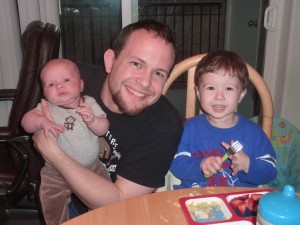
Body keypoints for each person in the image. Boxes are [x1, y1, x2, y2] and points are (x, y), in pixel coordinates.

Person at [32, 19, 183, 216]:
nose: (145, 82)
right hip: (69, 201)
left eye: (158, 73)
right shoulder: (71, 83)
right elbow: (39, 116)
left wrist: (55, 155)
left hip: (116, 212)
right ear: (110, 61)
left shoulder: (165, 124)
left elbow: (118, 202)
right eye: (137, 63)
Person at [21, 59, 110, 225]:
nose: (59, 86)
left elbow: (103, 128)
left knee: (107, 205)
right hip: (55, 172)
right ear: (45, 93)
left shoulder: (88, 103)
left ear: (81, 85)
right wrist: (42, 122)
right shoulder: (46, 107)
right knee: (51, 205)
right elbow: (25, 122)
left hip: (92, 167)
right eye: (51, 84)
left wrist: (93, 121)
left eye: (66, 80)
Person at [170, 50, 277, 188]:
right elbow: (175, 163)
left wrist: (248, 165)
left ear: (241, 94)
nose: (219, 96)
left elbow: (271, 171)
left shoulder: (254, 133)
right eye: (211, 88)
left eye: (229, 89)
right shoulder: (188, 129)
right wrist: (199, 165)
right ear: (198, 92)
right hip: (193, 201)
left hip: (238, 204)